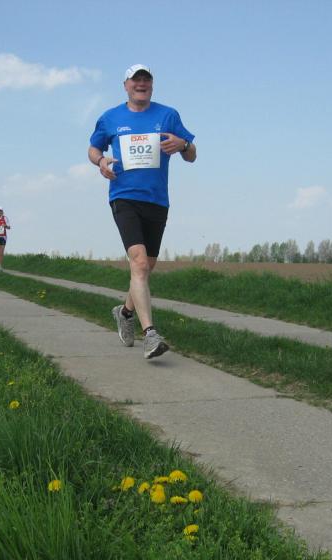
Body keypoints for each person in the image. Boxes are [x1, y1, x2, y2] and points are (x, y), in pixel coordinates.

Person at [88, 64, 196, 359]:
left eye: (146, 79)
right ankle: (150, 334)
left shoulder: (168, 115)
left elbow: (192, 155)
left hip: (157, 200)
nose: (141, 84)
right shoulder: (110, 118)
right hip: (124, 196)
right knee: (138, 262)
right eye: (135, 80)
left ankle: (124, 312)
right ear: (126, 85)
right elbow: (93, 149)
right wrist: (101, 162)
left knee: (146, 266)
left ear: (152, 85)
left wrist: (183, 144)